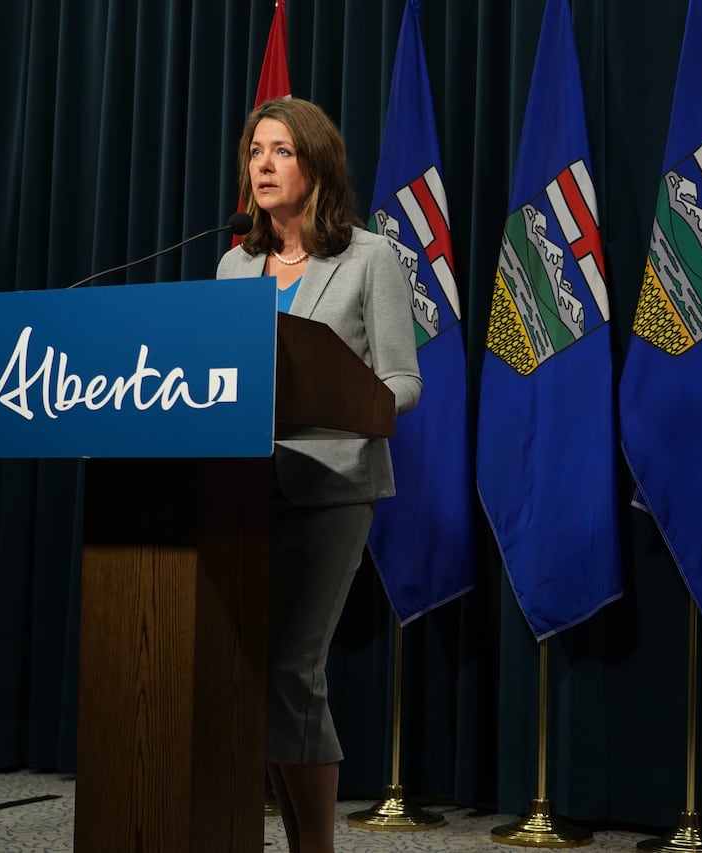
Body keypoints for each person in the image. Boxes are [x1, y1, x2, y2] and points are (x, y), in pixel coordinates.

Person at [215, 97, 422, 853]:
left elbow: (402, 380)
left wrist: (347, 394)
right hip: (243, 486)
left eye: (281, 152)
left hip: (334, 484)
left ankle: (316, 844)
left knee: (291, 663)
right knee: (250, 667)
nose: (263, 165)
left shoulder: (369, 258)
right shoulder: (233, 263)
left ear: (317, 164)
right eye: (255, 152)